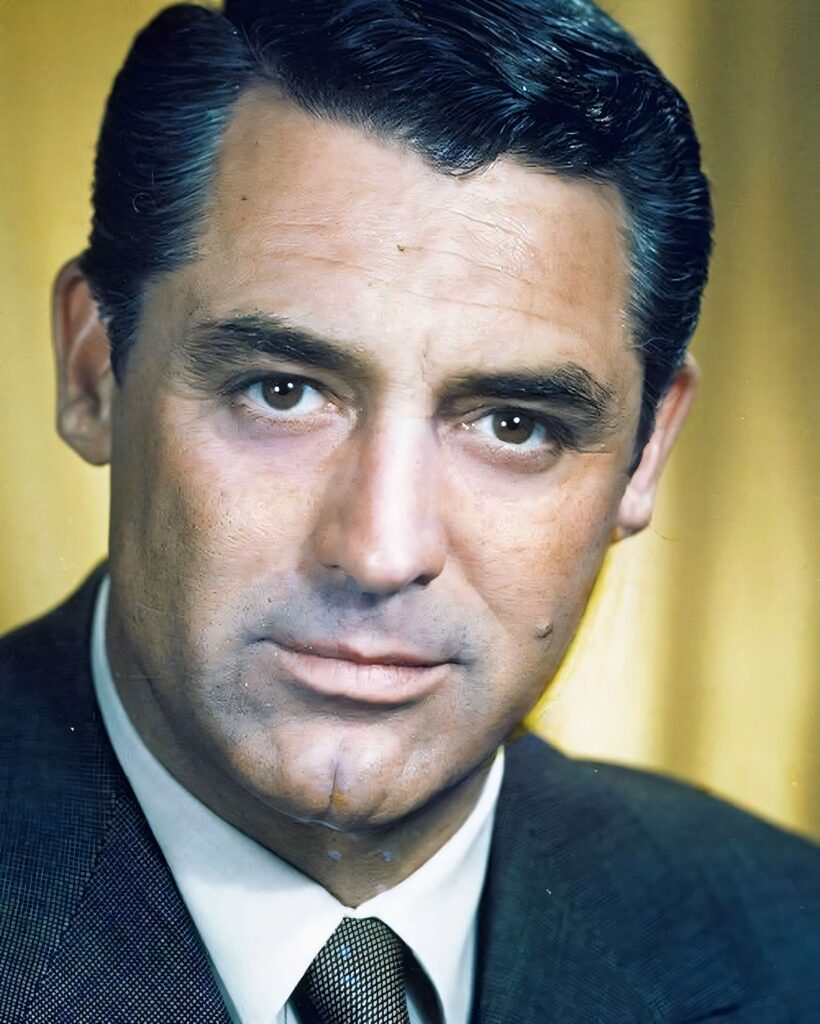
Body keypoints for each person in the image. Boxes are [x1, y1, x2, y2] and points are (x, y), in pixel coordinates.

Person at [1, 0, 817, 1020]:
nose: (383, 550)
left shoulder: (791, 934)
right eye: (281, 389)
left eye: (514, 424)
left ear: (647, 449)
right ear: (93, 371)